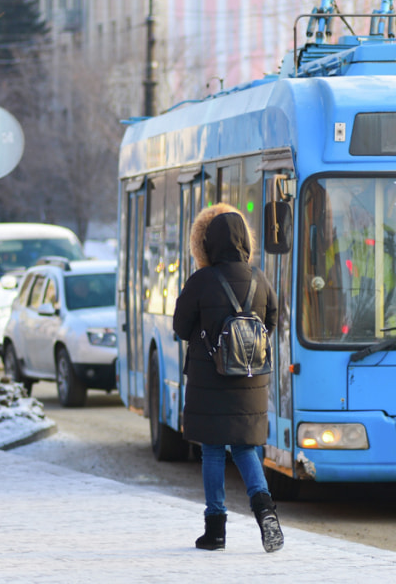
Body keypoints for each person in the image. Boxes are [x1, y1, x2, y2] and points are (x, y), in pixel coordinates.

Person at [172, 203, 284, 553]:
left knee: (213, 452)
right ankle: (265, 512)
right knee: (246, 448)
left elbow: (180, 327)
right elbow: (272, 323)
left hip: (210, 382)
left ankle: (215, 530)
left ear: (207, 245)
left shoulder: (201, 281)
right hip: (250, 380)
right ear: (244, 242)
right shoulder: (260, 278)